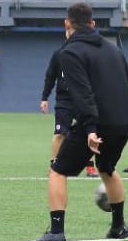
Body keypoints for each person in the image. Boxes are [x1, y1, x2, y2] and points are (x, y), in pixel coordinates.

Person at [34, 2, 128, 241]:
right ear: (92, 24)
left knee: (58, 170)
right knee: (107, 168)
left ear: (67, 24)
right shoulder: (113, 49)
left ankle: (56, 231)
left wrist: (90, 129)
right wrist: (117, 109)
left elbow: (82, 95)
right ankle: (119, 227)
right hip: (124, 121)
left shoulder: (69, 52)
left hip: (96, 123)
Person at [40, 44, 95, 178]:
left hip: (83, 100)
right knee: (60, 133)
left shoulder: (87, 54)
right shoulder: (59, 54)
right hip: (64, 101)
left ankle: (90, 167)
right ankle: (54, 167)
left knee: (89, 132)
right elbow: (50, 76)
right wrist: (44, 98)